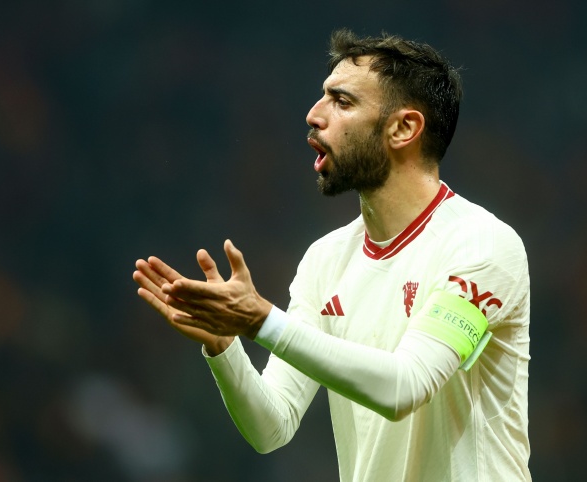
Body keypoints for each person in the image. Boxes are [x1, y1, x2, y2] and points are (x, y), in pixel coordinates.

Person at [133, 28, 531, 481]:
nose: (314, 114)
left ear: (404, 128)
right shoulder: (326, 260)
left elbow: (405, 386)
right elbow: (271, 425)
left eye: (342, 102)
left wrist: (261, 321)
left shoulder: (482, 245)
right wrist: (225, 345)